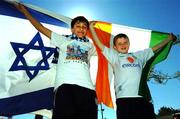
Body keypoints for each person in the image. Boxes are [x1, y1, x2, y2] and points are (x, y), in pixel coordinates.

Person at [15, 4, 97, 119]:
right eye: (78, 26)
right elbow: (41, 28)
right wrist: (25, 12)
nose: (81, 29)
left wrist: (92, 29)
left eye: (84, 27)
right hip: (65, 87)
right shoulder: (63, 40)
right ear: (72, 29)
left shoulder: (90, 45)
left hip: (88, 89)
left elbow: (105, 48)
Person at [90, 21, 177, 119]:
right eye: (119, 43)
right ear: (115, 47)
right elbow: (100, 45)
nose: (123, 45)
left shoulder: (139, 55)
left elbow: (155, 48)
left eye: (125, 42)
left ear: (129, 43)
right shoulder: (114, 57)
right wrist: (91, 28)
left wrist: (168, 39)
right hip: (124, 99)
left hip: (142, 98)